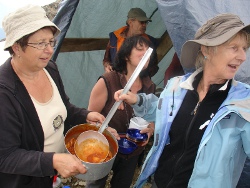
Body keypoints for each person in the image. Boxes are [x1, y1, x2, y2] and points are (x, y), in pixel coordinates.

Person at [114, 13, 250, 188]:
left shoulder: (244, 104)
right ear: (207, 49)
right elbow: (161, 112)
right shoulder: (176, 87)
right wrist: (137, 101)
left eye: (244, 49)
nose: (243, 57)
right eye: (234, 47)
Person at [0, 5, 118, 188]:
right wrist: (53, 161)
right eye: (40, 43)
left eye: (50, 42)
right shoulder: (4, 93)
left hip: (51, 176)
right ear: (16, 47)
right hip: (26, 180)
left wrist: (84, 114)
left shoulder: (50, 69)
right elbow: (5, 156)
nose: (49, 50)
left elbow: (64, 107)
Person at [86, 35, 156, 188]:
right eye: (139, 49)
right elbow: (88, 117)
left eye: (148, 50)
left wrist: (151, 129)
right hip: (105, 146)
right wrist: (104, 130)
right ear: (126, 56)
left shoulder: (149, 86)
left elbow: (152, 117)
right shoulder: (108, 80)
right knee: (95, 184)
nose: (145, 53)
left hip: (132, 149)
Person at [103, 7, 159, 77]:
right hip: (117, 79)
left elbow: (154, 66)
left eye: (146, 22)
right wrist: (107, 66)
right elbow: (106, 59)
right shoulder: (115, 37)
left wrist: (142, 76)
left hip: (138, 82)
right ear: (130, 22)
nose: (144, 25)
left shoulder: (149, 42)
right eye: (141, 22)